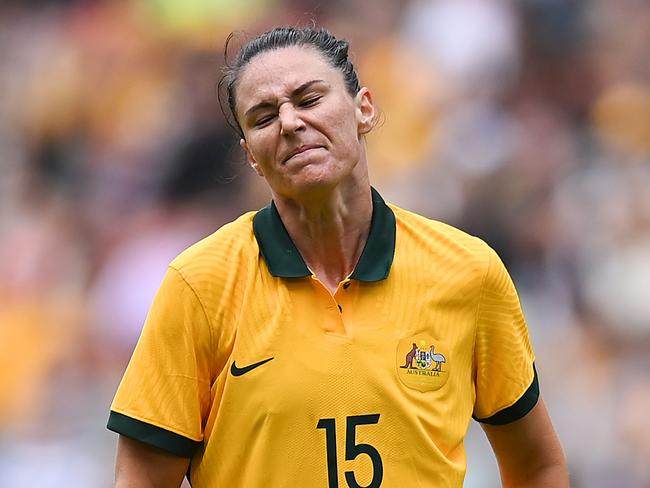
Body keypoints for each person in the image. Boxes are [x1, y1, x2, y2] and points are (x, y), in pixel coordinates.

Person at [107, 26, 568, 487]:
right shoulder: (200, 284)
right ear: (250, 154)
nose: (289, 122)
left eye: (309, 99)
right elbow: (141, 480)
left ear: (363, 108)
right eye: (264, 117)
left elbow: (537, 466)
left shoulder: (468, 270)